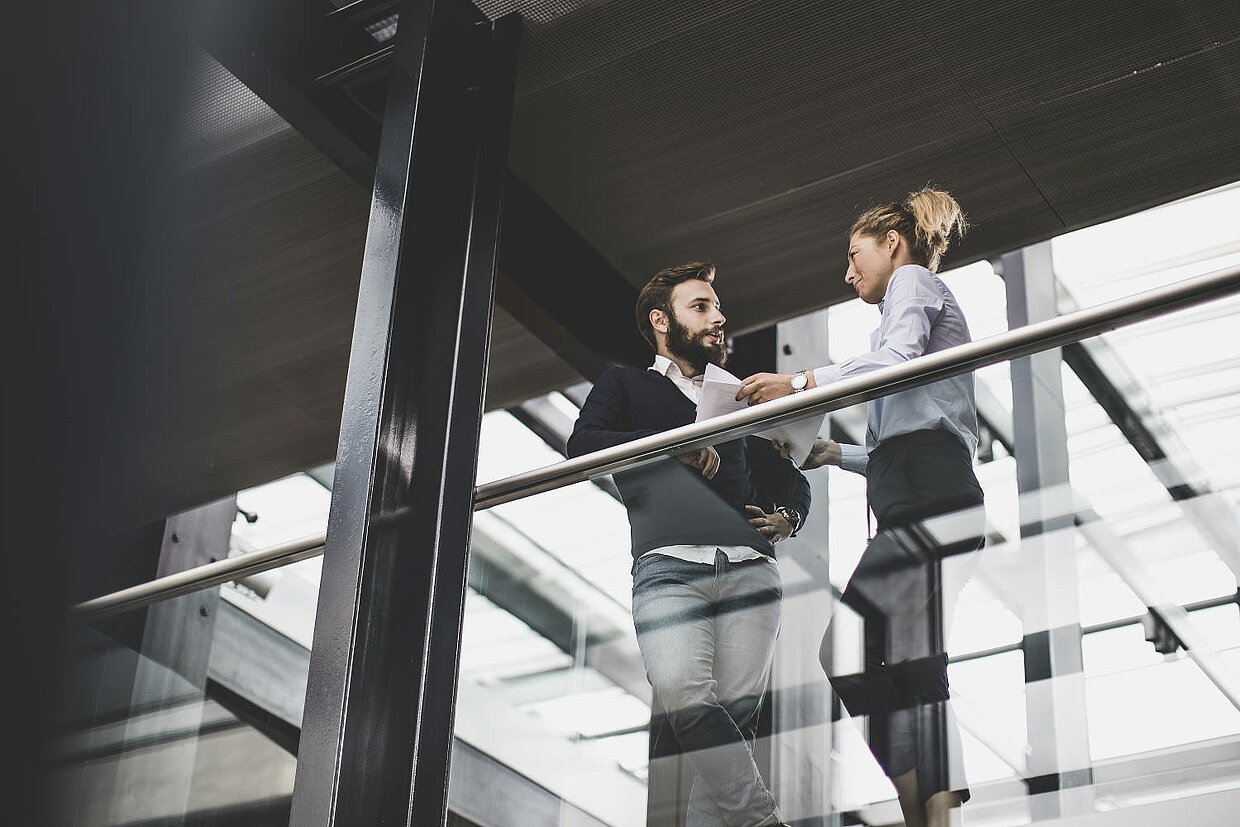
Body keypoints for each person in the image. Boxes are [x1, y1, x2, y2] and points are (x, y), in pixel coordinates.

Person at [737, 189, 985, 827]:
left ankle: (910, 796)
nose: (848, 274)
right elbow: (903, 434)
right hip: (929, 491)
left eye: (854, 255)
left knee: (843, 649)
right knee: (918, 665)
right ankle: (935, 815)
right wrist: (830, 455)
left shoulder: (912, 281)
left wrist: (800, 382)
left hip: (927, 498)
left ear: (892, 243)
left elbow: (895, 365)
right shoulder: (899, 315)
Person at [568, 261, 811, 827]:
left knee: (734, 723)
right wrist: (670, 446)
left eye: (717, 307)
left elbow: (788, 479)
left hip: (751, 568)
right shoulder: (626, 384)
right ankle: (762, 821)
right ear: (661, 321)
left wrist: (788, 518)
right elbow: (584, 447)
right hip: (668, 568)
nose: (718, 317)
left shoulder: (738, 393)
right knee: (683, 694)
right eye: (700, 307)